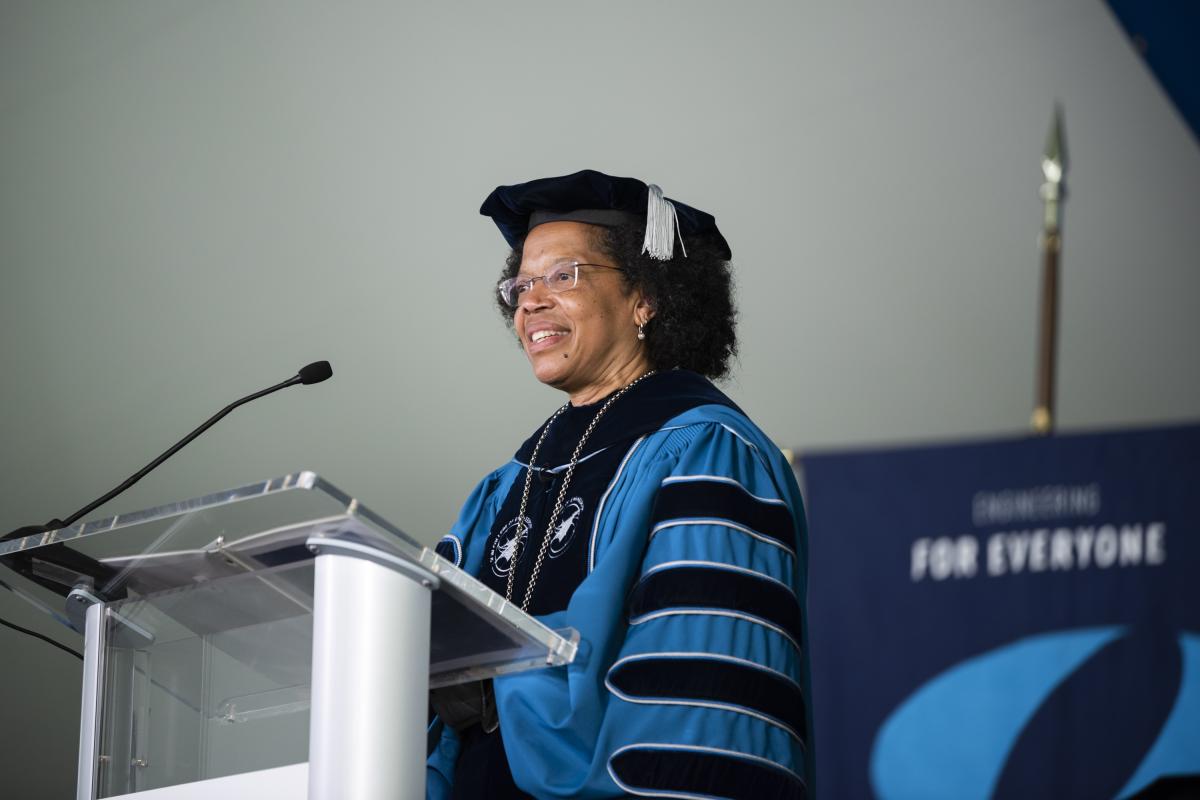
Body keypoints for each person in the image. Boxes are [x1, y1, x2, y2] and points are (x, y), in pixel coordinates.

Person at [426, 170, 813, 799]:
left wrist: (497, 685)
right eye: (521, 284)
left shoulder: (708, 454)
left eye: (562, 276)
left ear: (646, 298)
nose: (529, 302)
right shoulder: (504, 487)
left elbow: (697, 707)